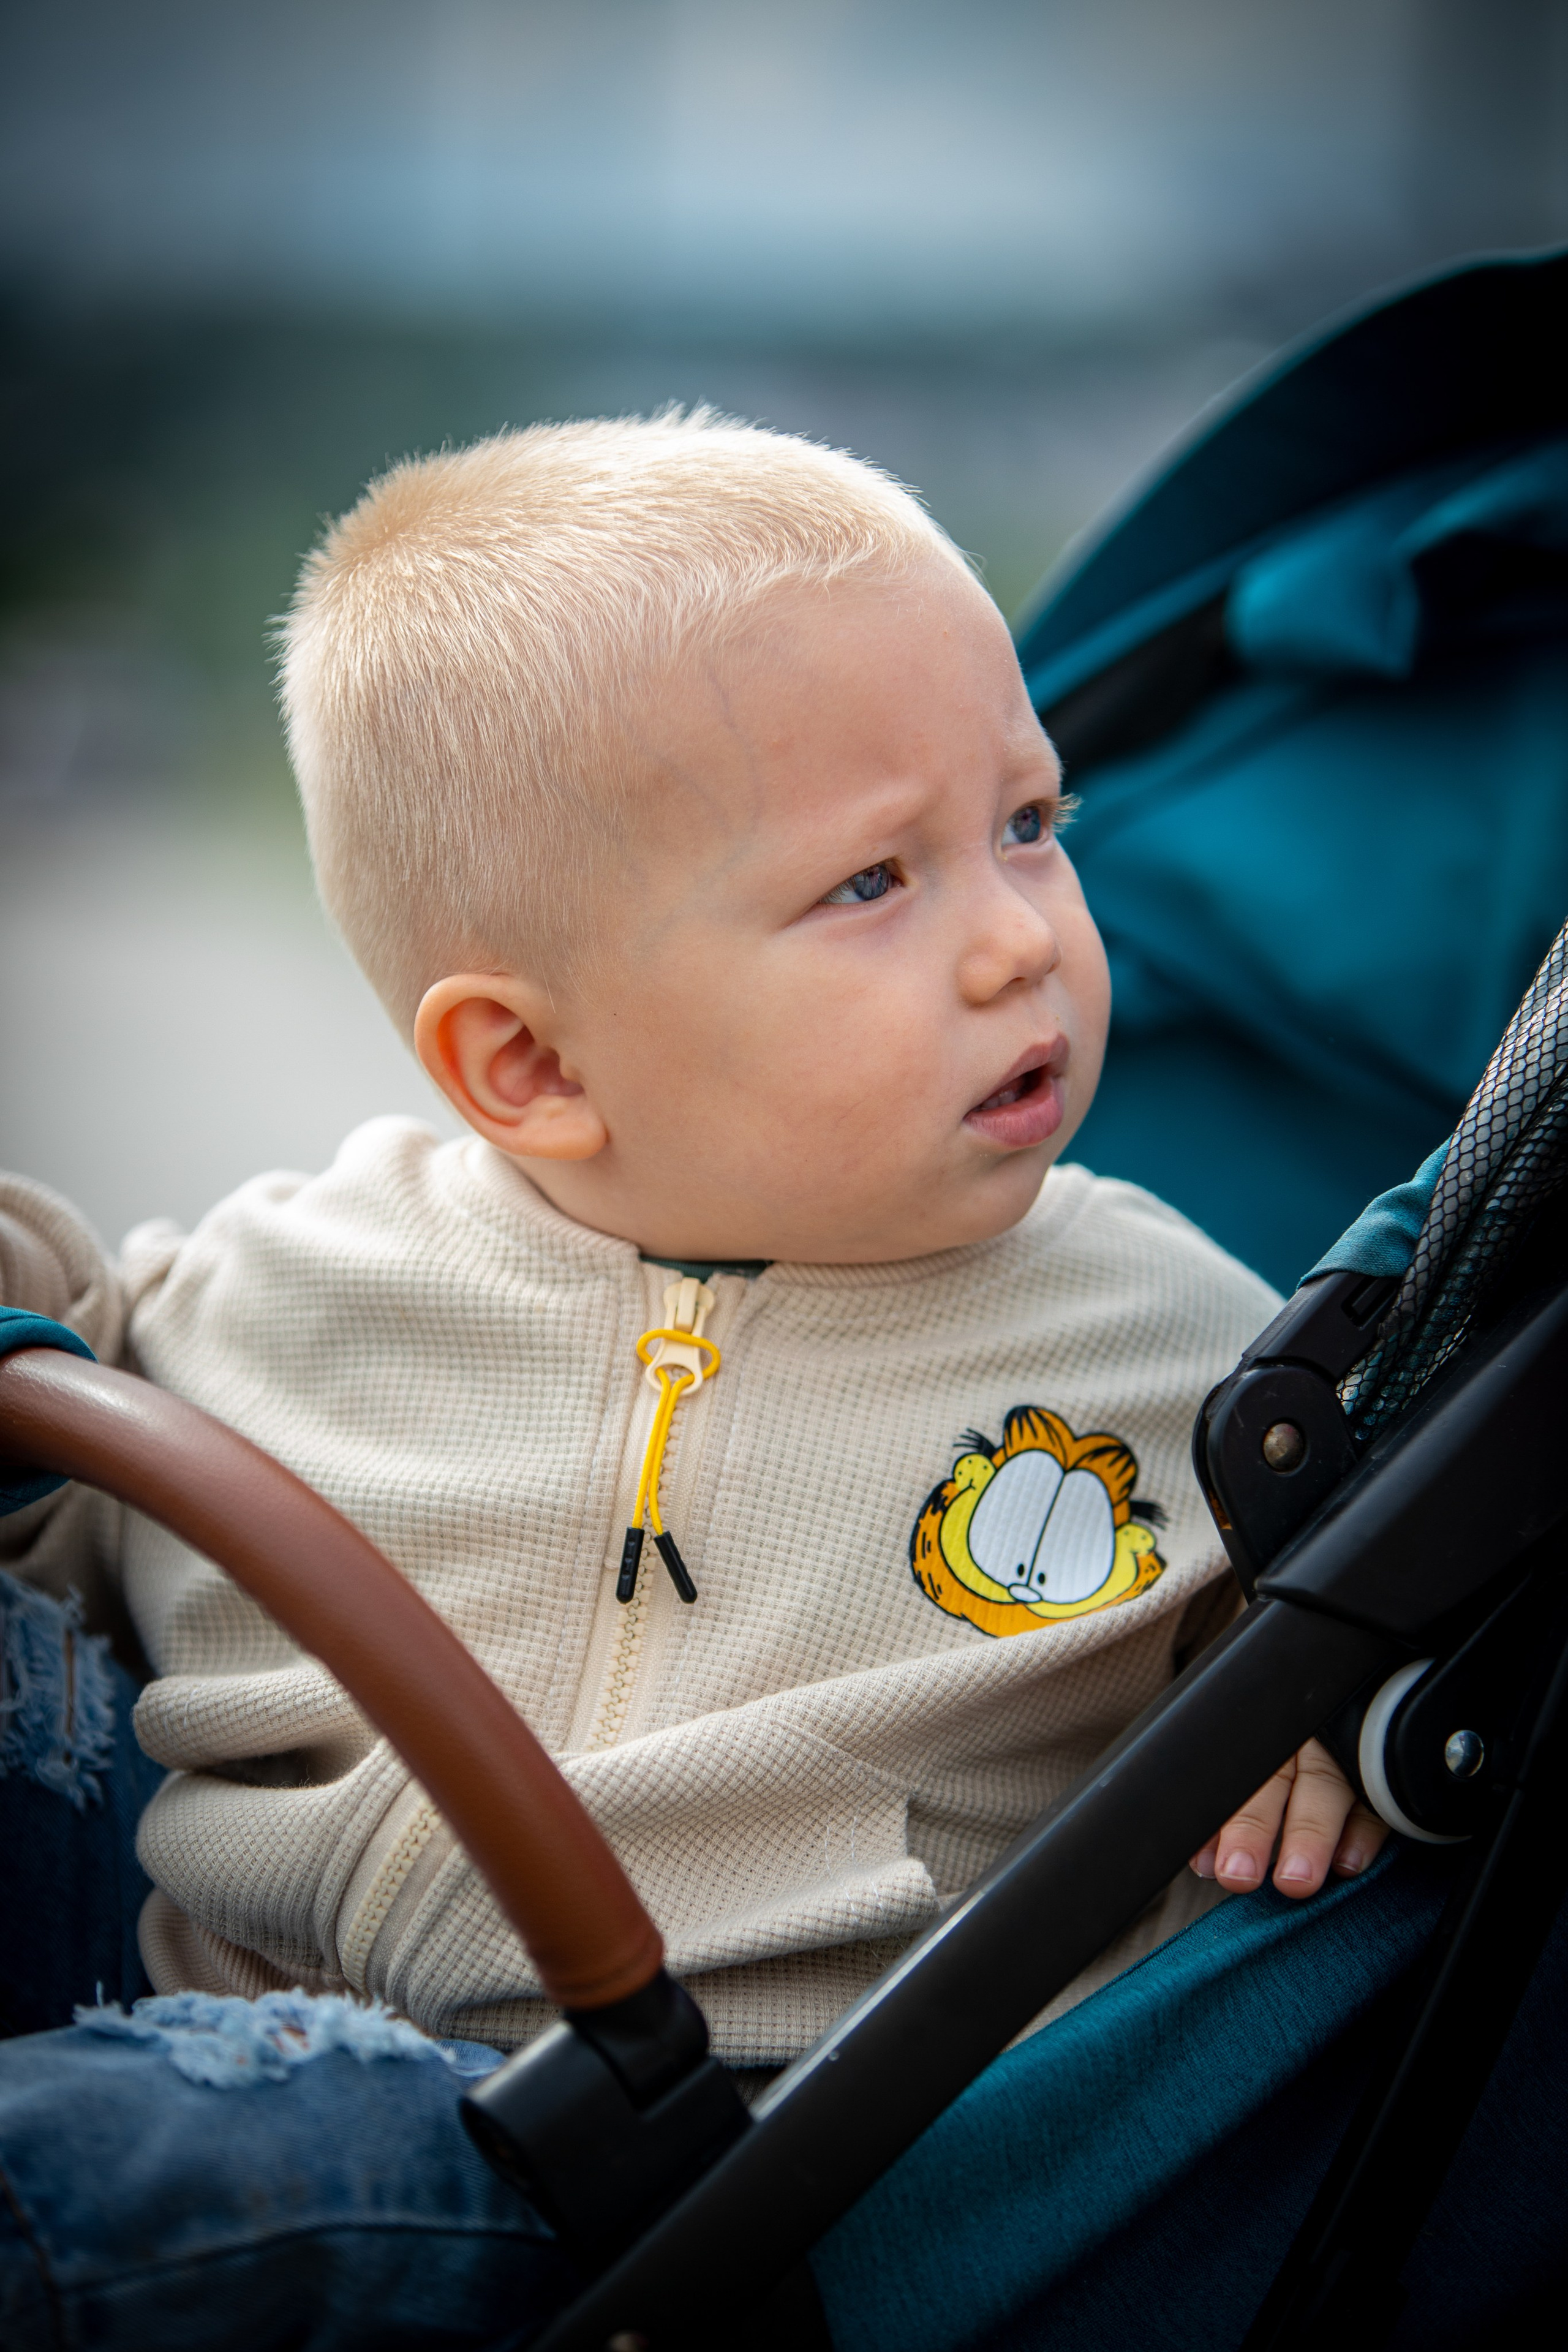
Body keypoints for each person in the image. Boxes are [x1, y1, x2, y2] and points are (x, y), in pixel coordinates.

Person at [0, 412, 1384, 2347]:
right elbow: (77, 1401)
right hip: (173, 2004)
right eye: (874, 884)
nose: (1019, 942)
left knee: (141, 2181)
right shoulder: (295, 1272)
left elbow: (1346, 1582)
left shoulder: (1178, 1341)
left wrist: (1329, 1731)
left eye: (1029, 826)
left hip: (631, 2184)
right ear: (535, 1073)